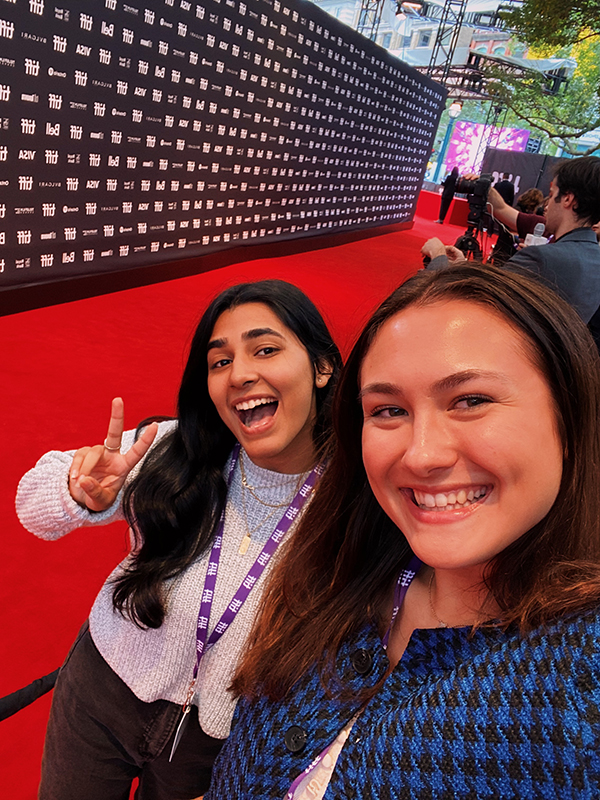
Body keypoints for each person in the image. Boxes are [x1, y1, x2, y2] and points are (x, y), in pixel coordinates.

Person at [204, 263, 600, 799]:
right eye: (389, 410)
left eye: (471, 401)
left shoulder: (580, 676)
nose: (421, 455)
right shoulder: (339, 567)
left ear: (570, 417)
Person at [15, 279, 342, 800]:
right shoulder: (173, 449)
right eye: (219, 362)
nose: (240, 374)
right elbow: (30, 508)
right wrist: (80, 493)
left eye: (266, 349)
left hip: (217, 742)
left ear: (322, 366)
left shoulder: (353, 502)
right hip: (102, 690)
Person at [422, 155, 600, 323]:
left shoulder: (541, 257)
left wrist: (438, 257)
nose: (547, 204)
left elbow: (477, 300)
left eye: (552, 195)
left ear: (568, 199)